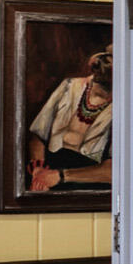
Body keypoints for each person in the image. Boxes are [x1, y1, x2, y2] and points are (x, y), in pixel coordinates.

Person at [25, 47, 113, 194]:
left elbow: (113, 171)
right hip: (49, 170)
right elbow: (38, 134)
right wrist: (38, 169)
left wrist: (60, 177)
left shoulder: (127, 106)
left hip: (88, 182)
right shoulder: (69, 86)